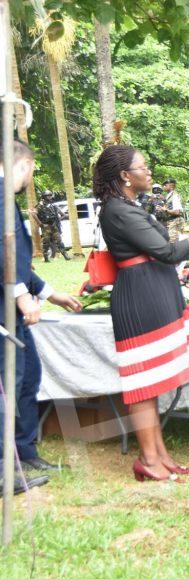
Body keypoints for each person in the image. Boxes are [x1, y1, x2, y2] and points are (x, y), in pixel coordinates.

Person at [94, 145, 189, 481]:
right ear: (125, 175)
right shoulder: (118, 211)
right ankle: (148, 459)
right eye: (143, 166)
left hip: (154, 291)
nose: (149, 170)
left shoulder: (130, 206)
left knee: (152, 382)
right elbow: (167, 251)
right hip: (140, 298)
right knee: (142, 383)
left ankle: (159, 454)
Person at [0, 140, 82, 493]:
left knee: (28, 378)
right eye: (32, 170)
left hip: (15, 311)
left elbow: (19, 259)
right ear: (25, 165)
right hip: (5, 313)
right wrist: (21, 297)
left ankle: (23, 450)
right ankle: (6, 470)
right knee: (8, 389)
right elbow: (3, 258)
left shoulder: (10, 200)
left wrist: (51, 293)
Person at [35, 190, 70, 262]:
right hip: (46, 226)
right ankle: (46, 257)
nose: (50, 197)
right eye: (48, 195)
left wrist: (58, 220)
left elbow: (63, 214)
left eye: (51, 195)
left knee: (59, 241)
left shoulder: (53, 205)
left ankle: (66, 255)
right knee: (46, 242)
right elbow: (34, 214)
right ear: (44, 196)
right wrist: (40, 224)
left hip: (54, 226)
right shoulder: (40, 205)